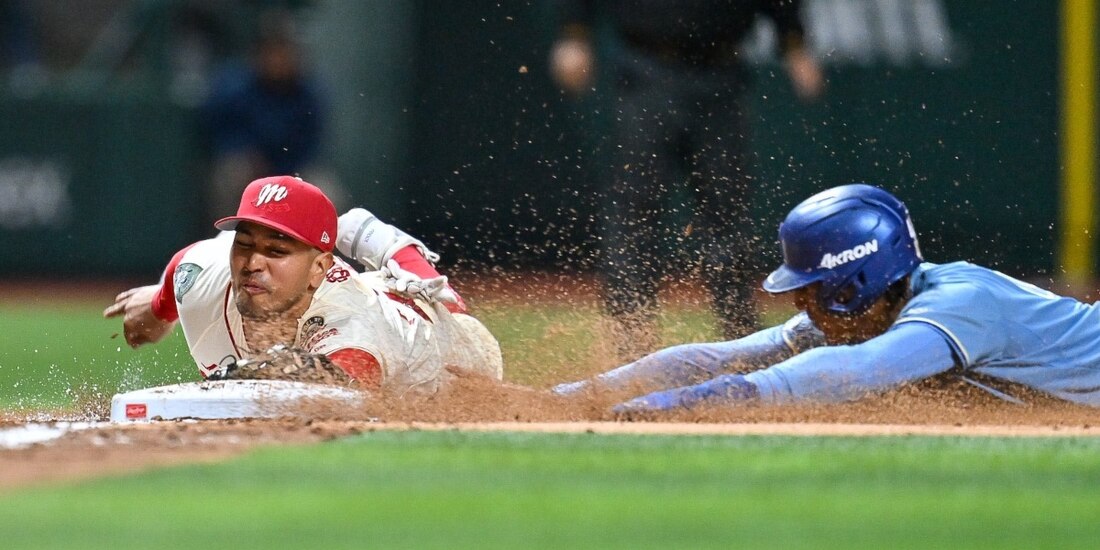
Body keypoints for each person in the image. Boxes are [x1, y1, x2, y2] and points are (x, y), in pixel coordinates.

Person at [554, 183, 1100, 414]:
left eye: (810, 287)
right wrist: (572, 396)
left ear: (854, 281)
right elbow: (726, 357)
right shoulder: (875, 311)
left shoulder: (959, 306)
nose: (800, 304)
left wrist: (696, 401)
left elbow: (859, 370)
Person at [549, 0, 824, 357]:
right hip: (647, 69)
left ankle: (742, 344)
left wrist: (794, 42)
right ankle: (629, 346)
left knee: (728, 220)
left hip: (722, 75)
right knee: (634, 215)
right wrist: (574, 33)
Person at [104, 175, 503, 393]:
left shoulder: (352, 326)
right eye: (244, 244)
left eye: (277, 251)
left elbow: (340, 381)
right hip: (348, 292)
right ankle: (349, 231)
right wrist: (158, 308)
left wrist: (263, 370)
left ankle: (402, 259)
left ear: (319, 269)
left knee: (444, 309)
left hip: (443, 342)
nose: (253, 263)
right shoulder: (206, 271)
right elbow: (184, 266)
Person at [201, 12, 335, 217]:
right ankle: (227, 242)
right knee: (230, 177)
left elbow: (309, 144)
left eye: (285, 52)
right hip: (245, 164)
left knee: (328, 191)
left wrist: (285, 171)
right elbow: (219, 130)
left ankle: (311, 247)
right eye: (272, 52)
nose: (278, 60)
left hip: (291, 170)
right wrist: (246, 152)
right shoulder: (235, 86)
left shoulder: (308, 94)